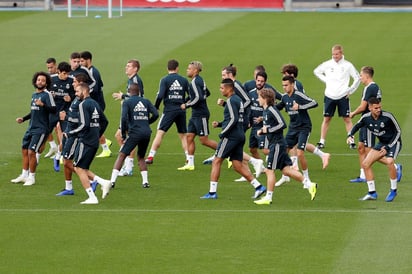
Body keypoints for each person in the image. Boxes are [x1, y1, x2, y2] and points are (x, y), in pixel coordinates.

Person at [200, 78, 266, 200]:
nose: (220, 90)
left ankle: (212, 192)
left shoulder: (231, 101)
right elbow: (239, 118)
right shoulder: (238, 100)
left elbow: (233, 119)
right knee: (237, 165)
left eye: (222, 88)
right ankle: (258, 187)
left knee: (216, 161)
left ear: (229, 88)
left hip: (230, 136)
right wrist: (220, 124)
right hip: (240, 135)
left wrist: (223, 132)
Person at [254, 88, 318, 205]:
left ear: (265, 99)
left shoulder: (271, 110)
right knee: (286, 170)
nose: (258, 99)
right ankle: (309, 184)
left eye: (259, 97)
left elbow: (282, 124)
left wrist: (266, 129)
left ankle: (268, 197)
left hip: (277, 145)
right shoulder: (266, 111)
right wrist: (263, 130)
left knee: (269, 170)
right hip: (277, 144)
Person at [274, 76, 330, 187]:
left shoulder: (298, 95)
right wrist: (268, 109)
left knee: (300, 152)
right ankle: (286, 176)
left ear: (292, 85)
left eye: (286, 85)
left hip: (304, 127)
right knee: (283, 150)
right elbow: (279, 107)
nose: (284, 88)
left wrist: (300, 106)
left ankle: (307, 180)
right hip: (292, 128)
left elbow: (314, 103)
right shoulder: (285, 97)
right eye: (283, 86)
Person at [347, 97, 402, 202]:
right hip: (381, 143)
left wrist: (388, 147)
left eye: (380, 107)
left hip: (394, 142)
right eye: (376, 108)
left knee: (390, 161)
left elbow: (398, 132)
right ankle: (372, 193)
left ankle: (393, 190)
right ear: (370, 108)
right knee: (365, 164)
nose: (379, 110)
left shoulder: (388, 116)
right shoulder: (366, 118)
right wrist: (350, 135)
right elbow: (357, 126)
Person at [66, 82, 111, 204]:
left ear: (84, 91)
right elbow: (105, 121)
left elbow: (84, 125)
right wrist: (97, 134)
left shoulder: (83, 104)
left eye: (77, 91)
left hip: (85, 140)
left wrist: (71, 133)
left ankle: (92, 197)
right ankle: (103, 182)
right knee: (83, 168)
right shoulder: (95, 104)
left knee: (78, 168)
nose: (76, 94)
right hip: (93, 141)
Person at [108, 83, 158, 188]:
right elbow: (156, 114)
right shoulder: (146, 101)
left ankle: (112, 181)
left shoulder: (127, 102)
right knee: (141, 157)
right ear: (138, 91)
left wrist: (123, 134)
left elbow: (124, 118)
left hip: (135, 132)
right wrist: (147, 122)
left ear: (129, 92)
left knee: (122, 155)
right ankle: (145, 182)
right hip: (146, 132)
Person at [11, 71, 56, 186]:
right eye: (38, 80)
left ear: (46, 83)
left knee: (32, 152)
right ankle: (24, 175)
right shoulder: (34, 95)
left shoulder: (47, 95)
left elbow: (53, 110)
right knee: (25, 150)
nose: (40, 82)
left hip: (41, 129)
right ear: (35, 81)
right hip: (31, 127)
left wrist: (43, 105)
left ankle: (32, 177)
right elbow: (33, 111)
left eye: (43, 80)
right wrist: (23, 119)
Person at [313, 44, 360, 149]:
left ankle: (351, 140)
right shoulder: (327, 64)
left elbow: (357, 78)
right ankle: (322, 141)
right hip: (329, 96)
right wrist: (327, 80)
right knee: (326, 119)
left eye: (337, 54)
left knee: (347, 119)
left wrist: (351, 90)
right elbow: (316, 71)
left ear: (341, 53)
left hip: (343, 96)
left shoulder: (348, 65)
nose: (335, 56)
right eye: (333, 54)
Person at [145, 59, 190, 166]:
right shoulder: (183, 80)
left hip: (169, 110)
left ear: (167, 68)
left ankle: (151, 156)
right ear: (177, 68)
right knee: (183, 135)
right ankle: (188, 157)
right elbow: (191, 95)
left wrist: (156, 107)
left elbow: (160, 95)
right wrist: (184, 102)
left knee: (160, 133)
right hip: (181, 110)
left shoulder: (164, 80)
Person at [178, 61, 218, 171]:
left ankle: (227, 152)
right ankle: (190, 164)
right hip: (195, 114)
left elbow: (198, 98)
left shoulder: (195, 82)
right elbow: (206, 93)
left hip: (201, 114)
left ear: (195, 70)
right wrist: (188, 100)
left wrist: (186, 105)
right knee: (189, 137)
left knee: (204, 140)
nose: (187, 70)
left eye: (189, 68)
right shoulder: (199, 80)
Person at [112, 59, 144, 176]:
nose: (126, 67)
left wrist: (123, 96)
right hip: (129, 113)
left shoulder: (135, 80)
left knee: (123, 137)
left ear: (135, 69)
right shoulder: (131, 80)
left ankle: (128, 166)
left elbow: (138, 97)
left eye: (129, 66)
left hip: (132, 115)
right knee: (120, 137)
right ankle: (128, 164)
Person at [80, 50, 112, 158]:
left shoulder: (93, 72)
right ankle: (105, 142)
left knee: (94, 125)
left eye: (82, 61)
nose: (80, 63)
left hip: (97, 104)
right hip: (94, 103)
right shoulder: (88, 71)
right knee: (93, 125)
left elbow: (96, 88)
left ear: (88, 60)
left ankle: (106, 149)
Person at [48, 61, 76, 172]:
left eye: (67, 74)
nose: (66, 76)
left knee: (66, 135)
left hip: (65, 112)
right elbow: (45, 93)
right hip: (53, 112)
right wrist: (51, 95)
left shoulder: (71, 80)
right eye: (64, 73)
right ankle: (36, 158)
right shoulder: (51, 79)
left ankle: (58, 156)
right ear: (59, 71)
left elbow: (77, 94)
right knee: (44, 133)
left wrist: (71, 98)